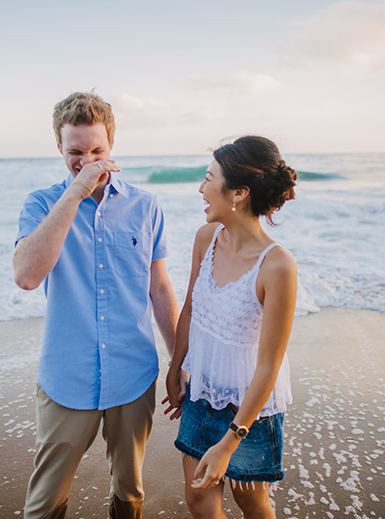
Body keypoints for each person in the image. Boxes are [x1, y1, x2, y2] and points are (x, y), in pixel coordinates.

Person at [13, 91, 179, 519]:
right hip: (66, 376)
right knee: (45, 504)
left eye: (97, 151)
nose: (87, 160)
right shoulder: (40, 204)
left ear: (112, 145)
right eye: (75, 152)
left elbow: (159, 288)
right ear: (58, 147)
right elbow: (27, 276)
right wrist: (76, 192)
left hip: (133, 373)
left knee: (130, 492)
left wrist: (181, 363)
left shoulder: (146, 205)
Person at [164, 135, 297, 519]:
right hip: (201, 394)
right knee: (199, 499)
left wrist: (229, 441)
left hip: (250, 411)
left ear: (238, 192)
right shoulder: (207, 238)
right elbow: (191, 306)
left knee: (251, 502)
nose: (201, 188)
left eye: (209, 178)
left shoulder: (277, 266)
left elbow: (269, 367)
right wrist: (175, 371)